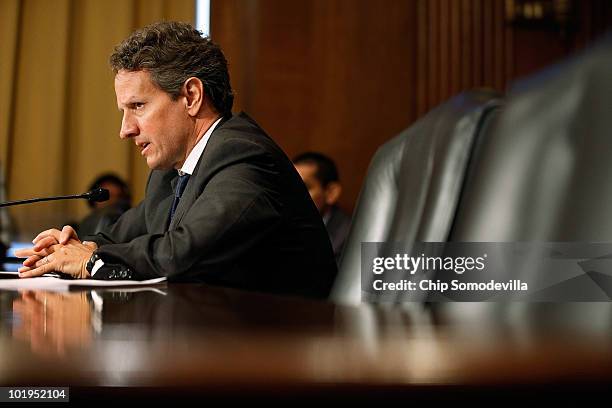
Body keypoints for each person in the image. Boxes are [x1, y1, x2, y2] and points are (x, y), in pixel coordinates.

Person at [16, 21, 337, 299]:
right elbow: (118, 237)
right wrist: (68, 245)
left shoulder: (245, 158)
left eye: (138, 106)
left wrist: (90, 258)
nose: (125, 130)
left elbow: (182, 253)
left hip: (283, 350)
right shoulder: (172, 172)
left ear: (192, 97)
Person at [293, 152, 351, 264]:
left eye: (303, 188)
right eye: (289, 187)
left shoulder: (350, 237)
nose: (292, 196)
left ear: (331, 193)